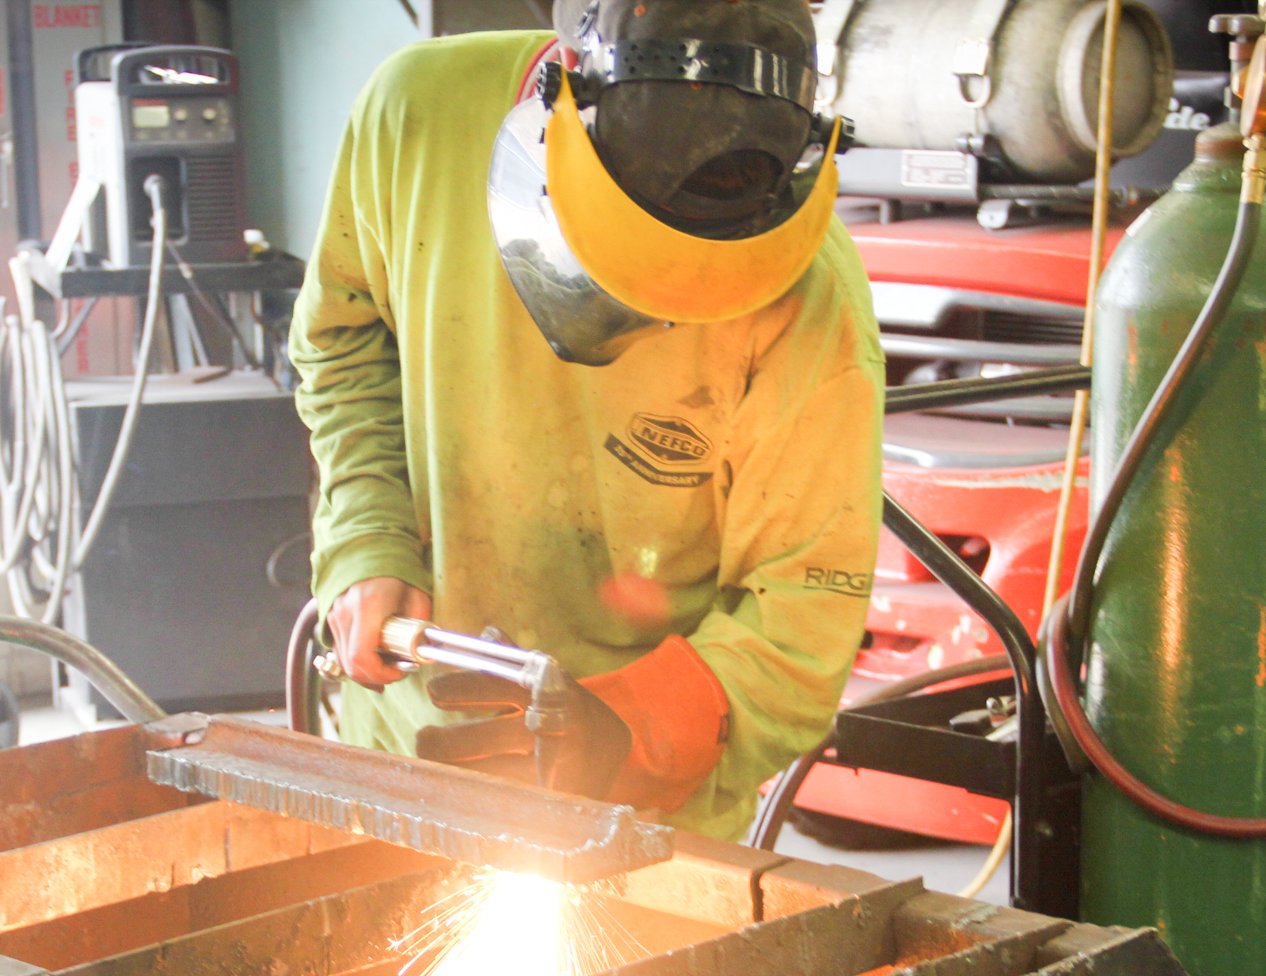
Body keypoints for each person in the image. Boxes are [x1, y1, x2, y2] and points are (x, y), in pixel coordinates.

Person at [291, 0, 883, 841]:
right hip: (406, 748)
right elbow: (344, 342)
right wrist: (367, 537)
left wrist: (627, 734)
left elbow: (798, 609)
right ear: (568, 98)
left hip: (641, 813)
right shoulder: (416, 120)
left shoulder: (810, 301)